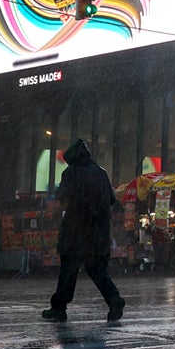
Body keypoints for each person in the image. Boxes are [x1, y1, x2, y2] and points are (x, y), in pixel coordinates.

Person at [42, 136, 125, 323]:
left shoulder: (72, 173)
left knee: (68, 270)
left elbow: (62, 196)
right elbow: (111, 200)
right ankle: (114, 300)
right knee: (97, 271)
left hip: (76, 231)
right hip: (98, 232)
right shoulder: (101, 173)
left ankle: (59, 308)